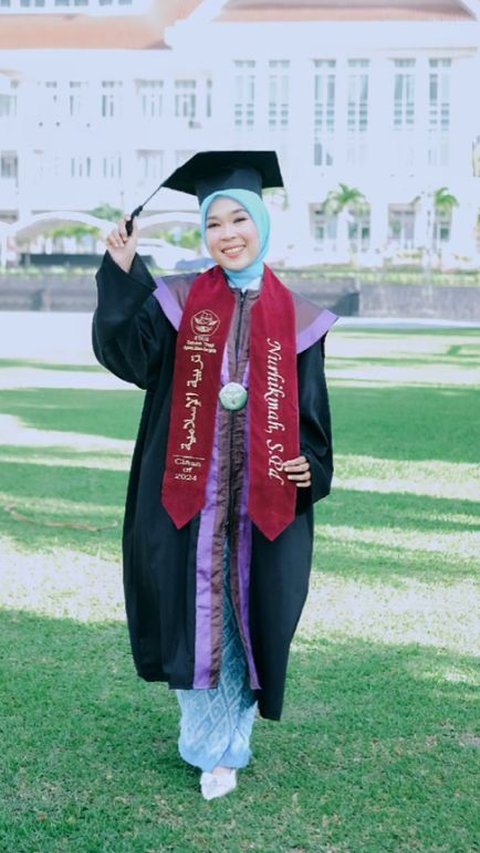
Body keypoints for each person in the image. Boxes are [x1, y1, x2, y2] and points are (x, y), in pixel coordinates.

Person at [92, 150, 336, 801]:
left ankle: (231, 739)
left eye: (239, 219)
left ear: (261, 221)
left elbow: (314, 427)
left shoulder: (301, 320)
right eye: (214, 223)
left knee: (244, 618)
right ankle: (207, 741)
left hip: (261, 506)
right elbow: (127, 352)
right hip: (184, 500)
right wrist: (121, 271)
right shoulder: (176, 300)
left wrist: (306, 467)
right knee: (188, 613)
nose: (227, 234)